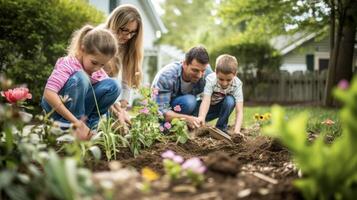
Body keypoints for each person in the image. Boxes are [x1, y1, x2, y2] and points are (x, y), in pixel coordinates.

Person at [41, 25, 120, 140]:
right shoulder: (68, 63)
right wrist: (76, 122)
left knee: (114, 86)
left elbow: (107, 96)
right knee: (82, 77)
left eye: (102, 64)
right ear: (83, 50)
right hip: (57, 112)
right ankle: (69, 129)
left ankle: (89, 127)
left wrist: (119, 114)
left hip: (79, 115)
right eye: (94, 62)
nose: (97, 68)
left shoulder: (97, 71)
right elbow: (48, 94)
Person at [151, 46, 212, 129]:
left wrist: (201, 117)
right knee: (189, 101)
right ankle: (170, 128)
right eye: (195, 70)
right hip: (170, 110)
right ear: (184, 64)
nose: (199, 75)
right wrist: (187, 119)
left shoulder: (207, 72)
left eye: (203, 71)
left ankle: (197, 124)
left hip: (192, 112)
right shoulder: (167, 76)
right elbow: (161, 112)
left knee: (228, 101)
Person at [103, 4, 144, 126]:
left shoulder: (128, 47)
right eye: (125, 30)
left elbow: (127, 83)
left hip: (112, 100)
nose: (128, 36)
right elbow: (98, 82)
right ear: (115, 23)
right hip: (95, 95)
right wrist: (117, 109)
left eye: (133, 32)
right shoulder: (99, 40)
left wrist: (123, 107)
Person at [198, 54, 243, 134]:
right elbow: (206, 100)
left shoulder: (237, 84)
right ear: (215, 72)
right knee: (196, 120)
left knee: (230, 100)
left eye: (228, 80)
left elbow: (239, 111)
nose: (224, 83)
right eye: (221, 79)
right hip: (201, 108)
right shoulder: (211, 80)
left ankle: (220, 129)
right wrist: (201, 118)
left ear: (235, 74)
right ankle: (198, 124)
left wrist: (237, 131)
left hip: (217, 108)